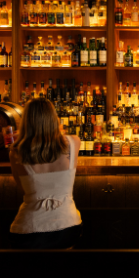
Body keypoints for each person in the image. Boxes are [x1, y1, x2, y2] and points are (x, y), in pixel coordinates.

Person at [9, 98, 82, 249]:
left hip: (30, 228)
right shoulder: (74, 142)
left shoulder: (15, 151)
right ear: (54, 118)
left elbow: (22, 187)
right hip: (68, 225)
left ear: (26, 120)